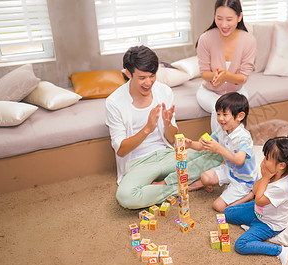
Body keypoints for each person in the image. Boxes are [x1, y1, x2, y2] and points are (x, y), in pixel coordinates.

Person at [105, 45, 222, 209]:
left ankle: (164, 184)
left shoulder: (164, 91)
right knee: (126, 197)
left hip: (167, 155)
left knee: (219, 152)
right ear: (128, 74)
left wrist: (167, 124)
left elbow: (172, 139)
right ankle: (186, 184)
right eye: (142, 77)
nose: (148, 82)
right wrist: (147, 129)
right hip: (138, 163)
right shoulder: (114, 102)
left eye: (152, 76)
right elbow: (121, 150)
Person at [224, 135, 288, 265]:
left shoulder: (282, 186)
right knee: (227, 213)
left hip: (269, 223)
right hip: (258, 211)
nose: (264, 161)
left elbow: (259, 200)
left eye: (267, 158)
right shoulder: (274, 173)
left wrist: (265, 178)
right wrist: (265, 178)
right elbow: (255, 190)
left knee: (241, 245)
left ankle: (280, 250)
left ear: (281, 165)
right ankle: (251, 226)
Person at [185, 92, 258, 212]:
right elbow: (201, 146)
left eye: (224, 114)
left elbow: (239, 160)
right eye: (218, 114)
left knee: (218, 207)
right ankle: (218, 183)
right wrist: (190, 144)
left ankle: (250, 194)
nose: (220, 118)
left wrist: (218, 148)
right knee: (205, 178)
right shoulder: (222, 130)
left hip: (243, 180)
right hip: (229, 169)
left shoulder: (244, 137)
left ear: (240, 116)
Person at [196, 0, 256, 132]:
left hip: (237, 93)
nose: (224, 24)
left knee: (233, 110)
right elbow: (204, 73)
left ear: (239, 17)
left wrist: (226, 76)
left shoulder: (248, 40)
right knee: (221, 109)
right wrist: (217, 76)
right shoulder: (206, 38)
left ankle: (236, 147)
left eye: (229, 19)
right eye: (219, 18)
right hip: (209, 92)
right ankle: (218, 147)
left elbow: (243, 78)